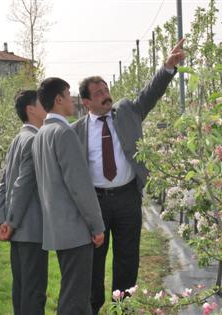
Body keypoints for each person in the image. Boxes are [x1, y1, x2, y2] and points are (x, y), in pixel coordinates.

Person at [72, 38, 186, 314]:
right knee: (94, 258)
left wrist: (167, 68)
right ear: (86, 102)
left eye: (106, 89)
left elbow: (150, 93)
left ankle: (122, 306)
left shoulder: (126, 111)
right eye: (98, 92)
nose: (105, 94)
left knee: (127, 256)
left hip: (126, 198)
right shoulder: (76, 131)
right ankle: (93, 305)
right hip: (95, 202)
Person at [33, 77, 105, 315]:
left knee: (73, 291)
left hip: (57, 226)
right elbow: (79, 186)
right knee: (75, 297)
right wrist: (96, 225)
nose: (72, 99)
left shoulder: (42, 133)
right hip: (74, 229)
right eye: (68, 93)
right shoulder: (64, 133)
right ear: (58, 99)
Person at [0, 90, 48, 315]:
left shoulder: (18, 138)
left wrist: (2, 220)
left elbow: (3, 183)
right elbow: (22, 186)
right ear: (31, 109)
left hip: (15, 228)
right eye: (42, 103)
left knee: (22, 288)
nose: (47, 107)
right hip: (30, 229)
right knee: (34, 291)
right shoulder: (35, 140)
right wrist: (12, 223)